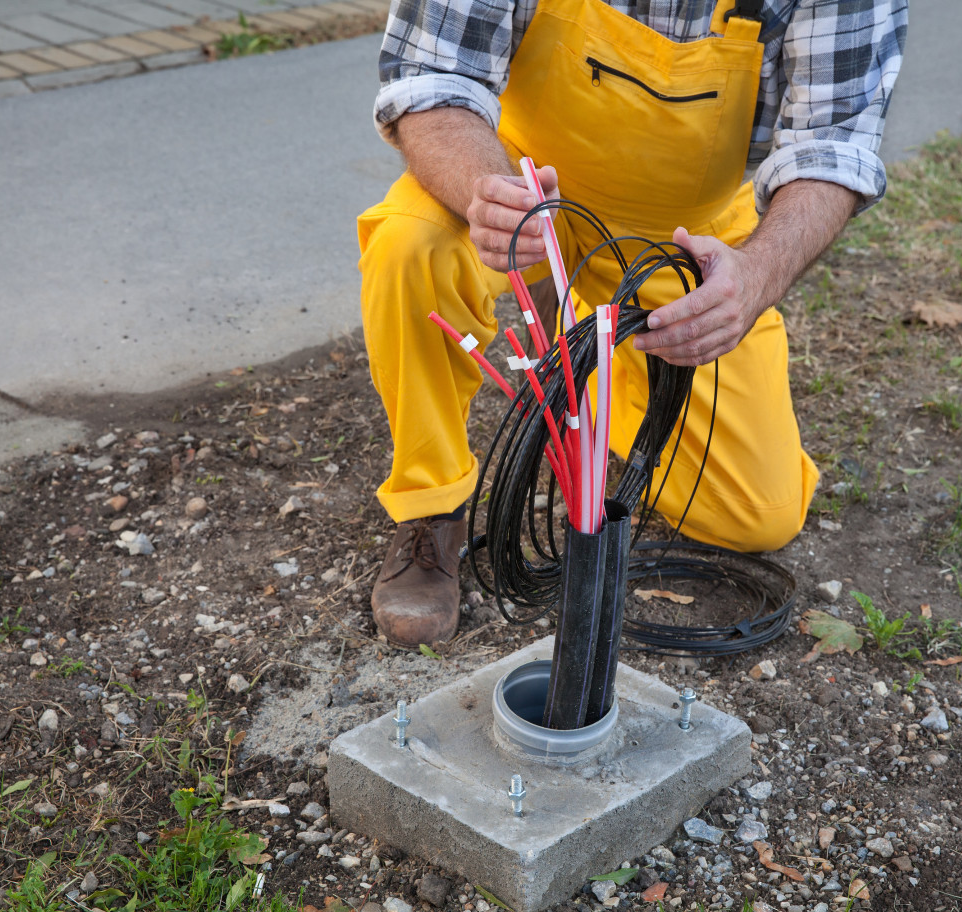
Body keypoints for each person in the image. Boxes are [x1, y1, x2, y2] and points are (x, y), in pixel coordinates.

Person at [357, 0, 908, 646]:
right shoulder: (505, 189)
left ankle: (597, 362)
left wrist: (752, 278)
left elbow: (835, 144)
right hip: (529, 194)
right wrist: (488, 189)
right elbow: (432, 78)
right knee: (411, 246)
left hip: (685, 236)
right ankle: (430, 511)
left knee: (759, 514)